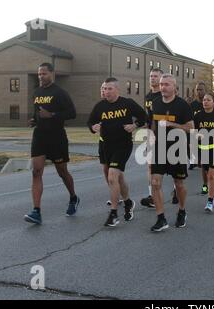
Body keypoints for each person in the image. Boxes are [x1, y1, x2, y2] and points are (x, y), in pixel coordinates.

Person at [87, 78, 147, 227]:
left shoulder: (127, 103)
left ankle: (113, 214)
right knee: (115, 176)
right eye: (104, 88)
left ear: (117, 89)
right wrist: (93, 127)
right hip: (106, 145)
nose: (106, 91)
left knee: (113, 176)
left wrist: (134, 126)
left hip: (123, 144)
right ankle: (127, 202)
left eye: (109, 88)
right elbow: (90, 121)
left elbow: (144, 116)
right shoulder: (100, 106)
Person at [24, 63, 79, 225]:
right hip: (40, 136)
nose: (41, 76)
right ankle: (36, 211)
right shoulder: (36, 92)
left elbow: (72, 113)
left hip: (57, 137)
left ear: (52, 74)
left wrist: (52, 114)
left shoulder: (60, 93)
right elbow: (38, 112)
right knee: (36, 172)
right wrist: (35, 120)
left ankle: (73, 198)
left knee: (62, 171)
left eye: (44, 73)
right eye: (39, 74)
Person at [149, 74, 194, 232]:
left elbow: (190, 127)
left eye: (167, 84)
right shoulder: (155, 103)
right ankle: (161, 218)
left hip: (177, 148)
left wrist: (171, 124)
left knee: (179, 184)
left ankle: (182, 211)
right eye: (161, 84)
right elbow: (153, 124)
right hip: (159, 147)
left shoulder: (182, 105)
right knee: (155, 182)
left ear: (175, 87)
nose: (163, 87)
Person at [140, 68, 166, 209]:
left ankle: (176, 188)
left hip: (167, 135)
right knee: (150, 165)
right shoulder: (148, 96)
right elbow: (148, 115)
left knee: (171, 167)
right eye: (151, 76)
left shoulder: (164, 95)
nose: (153, 78)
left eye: (156, 76)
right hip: (151, 135)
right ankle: (152, 196)